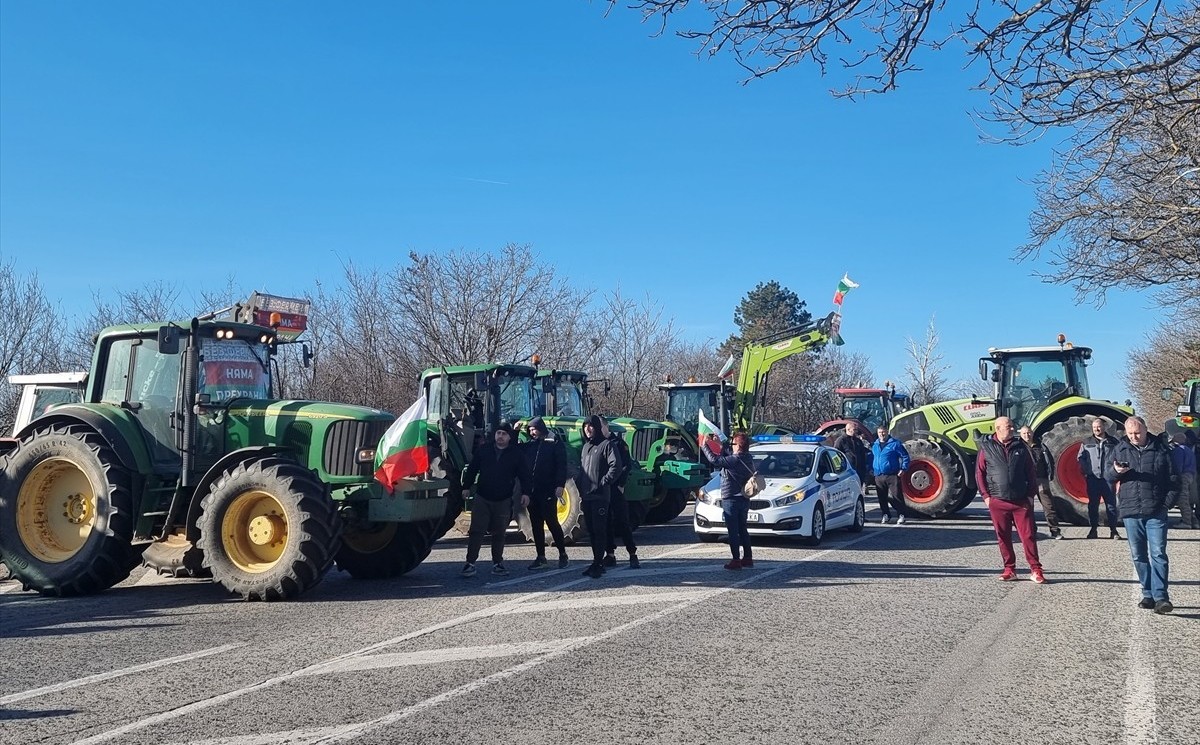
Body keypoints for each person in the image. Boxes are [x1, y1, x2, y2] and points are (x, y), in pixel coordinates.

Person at [1108, 416, 1177, 614]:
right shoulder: (1120, 449)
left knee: (1158, 554)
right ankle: (1147, 593)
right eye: (1130, 434)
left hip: (1156, 511)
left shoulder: (1162, 449)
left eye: (1137, 433)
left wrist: (1165, 505)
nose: (1134, 437)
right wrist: (1116, 471)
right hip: (1131, 511)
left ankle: (1161, 597)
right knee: (1138, 555)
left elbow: (1174, 479)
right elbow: (1107, 475)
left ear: (1146, 429)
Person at [977, 416, 1046, 583]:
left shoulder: (1021, 447)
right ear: (998, 428)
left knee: (1028, 535)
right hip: (998, 501)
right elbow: (980, 474)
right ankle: (1009, 569)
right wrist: (986, 497)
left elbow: (1031, 473)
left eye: (1012, 426)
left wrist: (1030, 496)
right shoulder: (986, 448)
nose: (1013, 429)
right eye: (1009, 426)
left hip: (1021, 501)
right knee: (1003, 536)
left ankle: (1036, 569)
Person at [460, 422, 530, 577]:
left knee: (499, 533)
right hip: (482, 497)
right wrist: (466, 487)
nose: (500, 437)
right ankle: (470, 563)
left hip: (503, 499)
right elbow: (472, 469)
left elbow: (525, 475)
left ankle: (498, 563)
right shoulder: (484, 450)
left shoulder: (516, 454)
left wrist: (526, 493)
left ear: (509, 437)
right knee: (476, 531)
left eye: (504, 434)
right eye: (498, 433)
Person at [699, 430, 755, 570]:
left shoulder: (735, 460)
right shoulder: (747, 457)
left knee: (732, 531)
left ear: (738, 445)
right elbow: (729, 457)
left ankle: (736, 560)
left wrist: (704, 445)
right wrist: (720, 445)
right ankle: (748, 557)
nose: (731, 445)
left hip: (731, 499)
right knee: (743, 528)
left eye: (733, 443)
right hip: (744, 498)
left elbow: (715, 460)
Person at [520, 417, 570, 570]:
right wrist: (516, 432)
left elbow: (562, 465)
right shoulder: (529, 446)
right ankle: (540, 556)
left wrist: (560, 485)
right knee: (536, 524)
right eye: (530, 430)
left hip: (548, 490)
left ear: (541, 428)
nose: (532, 432)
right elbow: (514, 450)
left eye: (534, 429)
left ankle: (562, 554)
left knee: (552, 522)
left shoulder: (554, 445)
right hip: (532, 492)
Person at [576, 414, 620, 579]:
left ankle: (599, 563)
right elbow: (582, 470)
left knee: (600, 530)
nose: (588, 429)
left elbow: (615, 466)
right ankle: (596, 561)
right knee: (592, 532)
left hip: (600, 496)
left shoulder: (606, 445)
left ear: (597, 427)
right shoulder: (585, 447)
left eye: (591, 425)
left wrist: (602, 482)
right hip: (587, 496)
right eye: (585, 426)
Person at [602, 421, 640, 569]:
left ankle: (632, 554)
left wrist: (621, 484)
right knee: (606, 523)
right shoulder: (595, 444)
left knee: (623, 522)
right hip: (603, 489)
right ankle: (610, 554)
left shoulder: (618, 443)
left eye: (601, 426)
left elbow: (625, 465)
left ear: (606, 427)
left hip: (615, 488)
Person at [1078, 418, 1122, 539]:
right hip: (1093, 478)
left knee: (1111, 506)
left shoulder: (1113, 442)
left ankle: (1113, 530)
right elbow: (1081, 458)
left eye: (1099, 426)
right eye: (1094, 427)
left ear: (1104, 427)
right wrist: (1087, 471)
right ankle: (1093, 529)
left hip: (1108, 479)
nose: (1096, 429)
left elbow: (1119, 456)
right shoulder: (1086, 442)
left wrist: (1115, 472)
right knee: (1093, 505)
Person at [1019, 425, 1063, 539]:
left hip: (1041, 479)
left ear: (1032, 433)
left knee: (1049, 506)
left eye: (1028, 433)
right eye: (1024, 433)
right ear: (1020, 435)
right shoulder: (1018, 448)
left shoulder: (1041, 446)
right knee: (1028, 507)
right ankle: (1032, 532)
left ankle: (1055, 531)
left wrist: (1049, 475)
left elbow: (1049, 461)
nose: (1026, 435)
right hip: (1025, 481)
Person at [871, 425, 911, 524]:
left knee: (896, 496)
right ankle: (885, 515)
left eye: (883, 432)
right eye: (880, 432)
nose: (882, 434)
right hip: (879, 475)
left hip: (892, 475)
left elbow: (905, 456)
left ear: (887, 432)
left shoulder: (895, 444)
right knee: (882, 497)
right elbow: (872, 457)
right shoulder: (875, 445)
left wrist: (903, 468)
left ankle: (901, 515)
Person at [1168, 432, 1198, 529]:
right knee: (1187, 499)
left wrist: (1175, 477)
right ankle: (1194, 521)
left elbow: (1178, 465)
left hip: (1183, 476)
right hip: (1191, 476)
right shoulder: (1188, 450)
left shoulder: (1179, 450)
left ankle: (1186, 522)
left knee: (1182, 499)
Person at [834, 422, 870, 497]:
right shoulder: (841, 440)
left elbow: (862, 454)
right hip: (847, 470)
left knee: (857, 491)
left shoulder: (858, 441)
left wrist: (864, 468)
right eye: (854, 429)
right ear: (848, 429)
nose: (856, 431)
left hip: (859, 470)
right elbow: (835, 455)